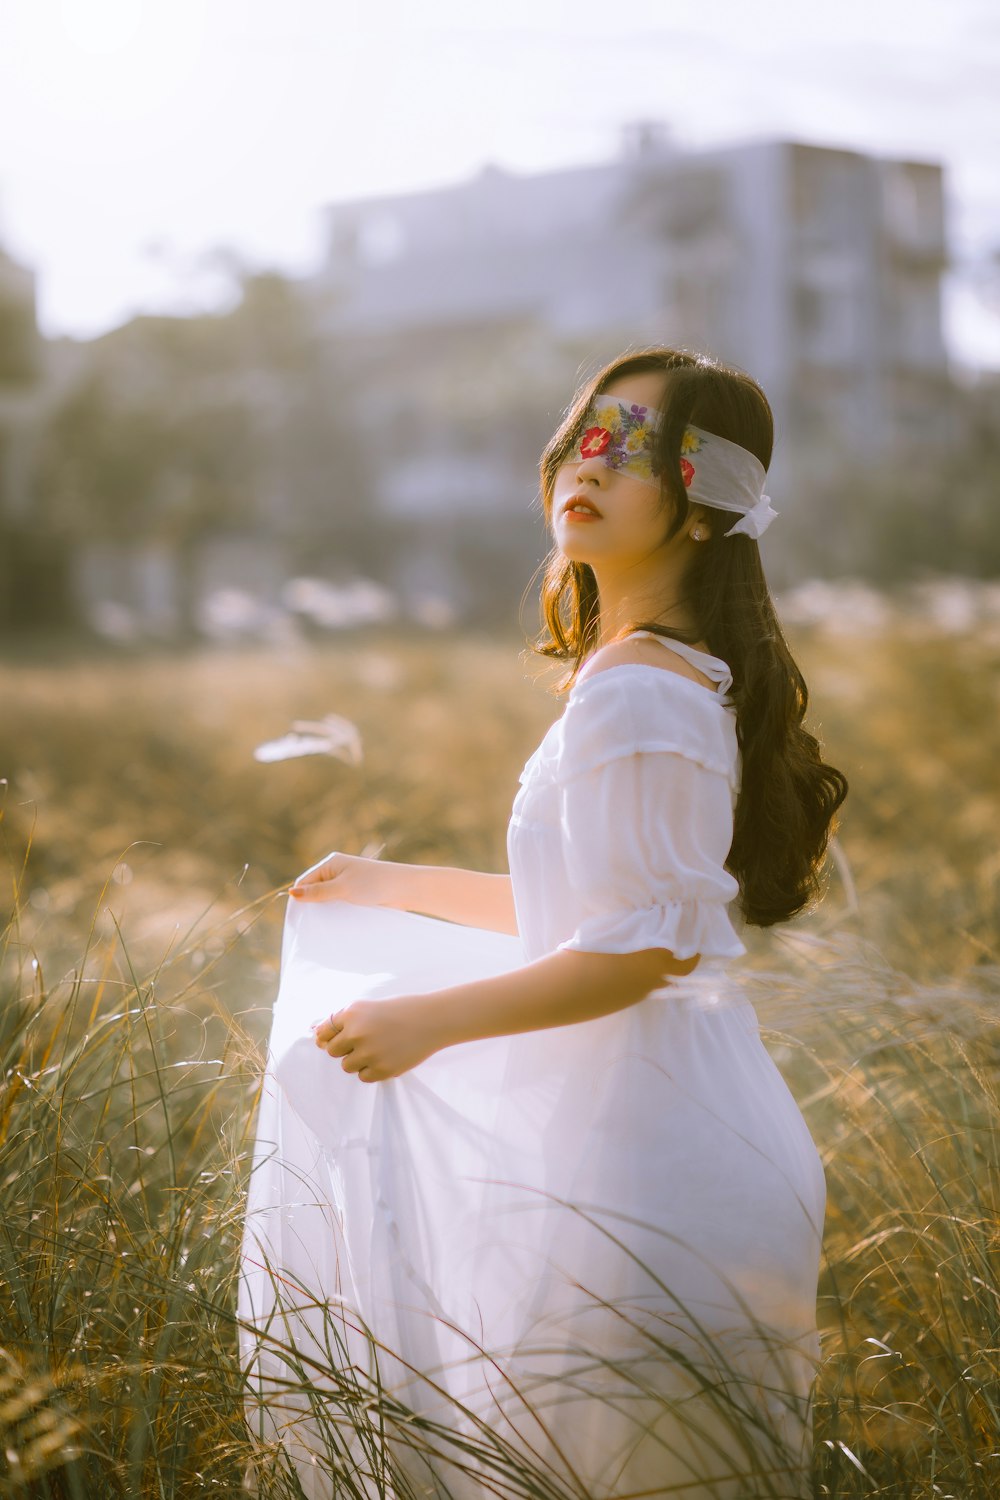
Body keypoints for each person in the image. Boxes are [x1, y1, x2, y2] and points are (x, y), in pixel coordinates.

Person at [238, 346, 848, 1500]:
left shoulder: (642, 686)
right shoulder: (644, 671)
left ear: (706, 500)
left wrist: (430, 1020)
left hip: (655, 1167)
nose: (590, 461)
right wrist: (389, 879)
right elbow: (593, 911)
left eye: (634, 444)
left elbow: (654, 944)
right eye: (582, 436)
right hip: (648, 1141)